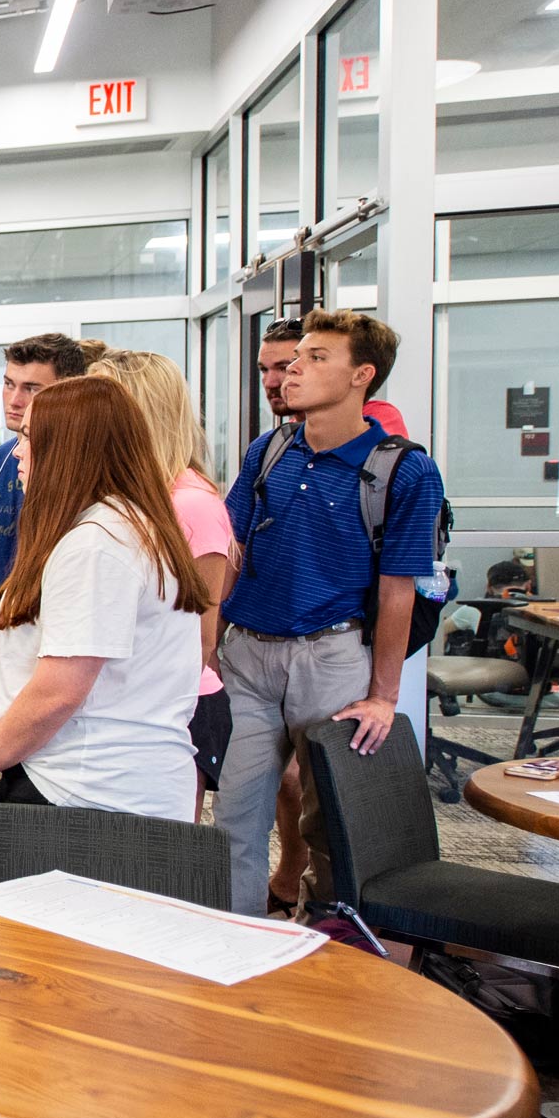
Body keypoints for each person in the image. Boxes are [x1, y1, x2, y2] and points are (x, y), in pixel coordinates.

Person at [214, 310, 447, 918]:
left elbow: (399, 590)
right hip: (249, 656)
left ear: (360, 376)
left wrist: (383, 696)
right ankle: (232, 933)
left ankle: (328, 941)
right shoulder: (268, 450)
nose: (294, 369)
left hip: (334, 656)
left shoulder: (405, 469)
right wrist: (209, 644)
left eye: (317, 358)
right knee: (236, 814)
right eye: (298, 357)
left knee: (332, 823)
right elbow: (231, 551)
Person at [0, 376, 208, 817]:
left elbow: (60, 691)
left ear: (71, 449)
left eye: (29, 438)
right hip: (87, 778)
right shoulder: (121, 525)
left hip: (88, 790)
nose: (18, 453)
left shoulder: (97, 544)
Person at [90, 351, 235, 804]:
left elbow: (201, 640)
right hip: (122, 705)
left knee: (157, 859)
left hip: (172, 709)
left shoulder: (191, 504)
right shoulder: (129, 495)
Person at [0, 334, 89, 740]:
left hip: (51, 667)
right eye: (9, 383)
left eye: (32, 388)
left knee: (35, 796)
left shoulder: (85, 470)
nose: (14, 398)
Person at [254, 317, 310, 912]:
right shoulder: (268, 448)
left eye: (289, 366)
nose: (276, 380)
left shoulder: (387, 449)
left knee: (310, 785)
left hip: (333, 643)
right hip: (257, 643)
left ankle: (308, 888)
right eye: (266, 369)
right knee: (266, 786)